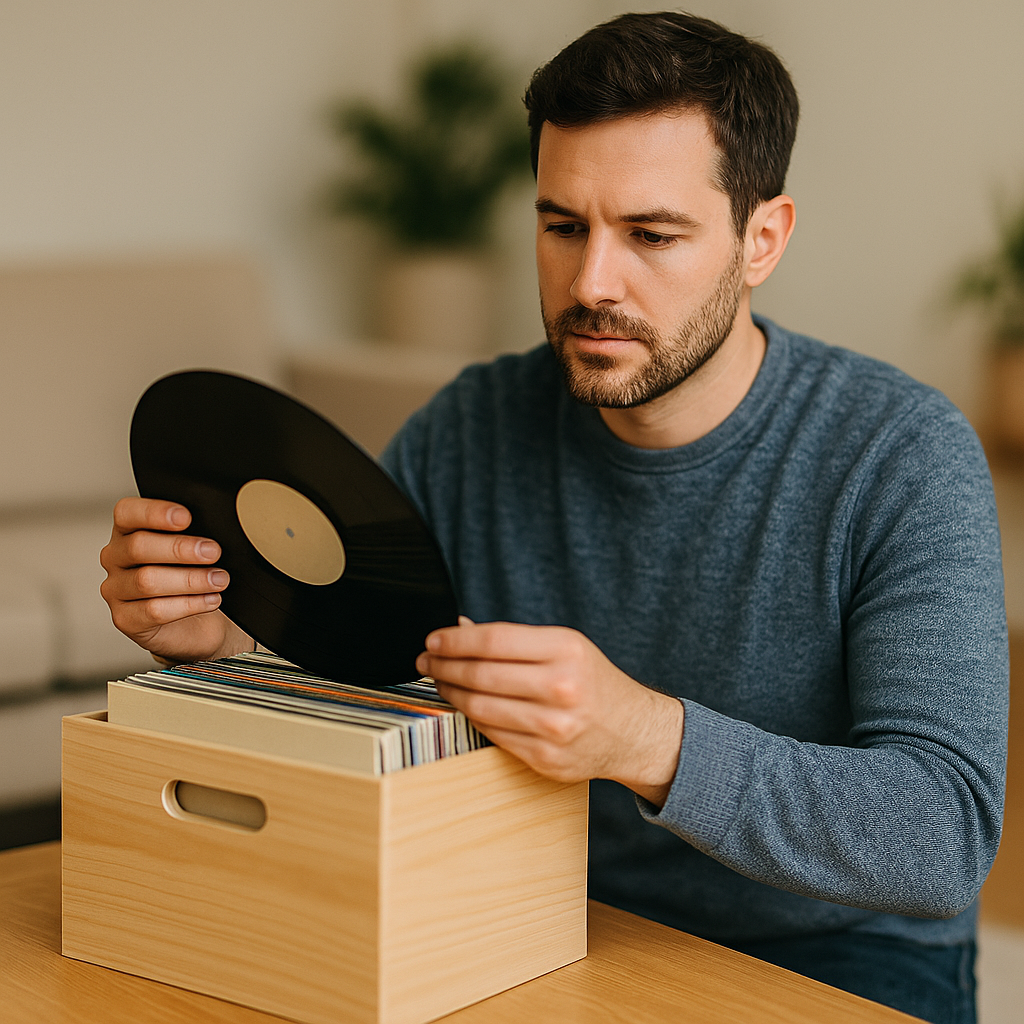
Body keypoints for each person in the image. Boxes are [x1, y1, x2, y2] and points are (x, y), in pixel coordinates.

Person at [99, 12, 1007, 1024]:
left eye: (651, 234)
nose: (589, 284)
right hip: (539, 913)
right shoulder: (466, 429)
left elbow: (943, 832)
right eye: (561, 225)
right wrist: (225, 643)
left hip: (844, 952)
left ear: (762, 239)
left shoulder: (902, 455)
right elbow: (379, 683)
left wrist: (648, 740)